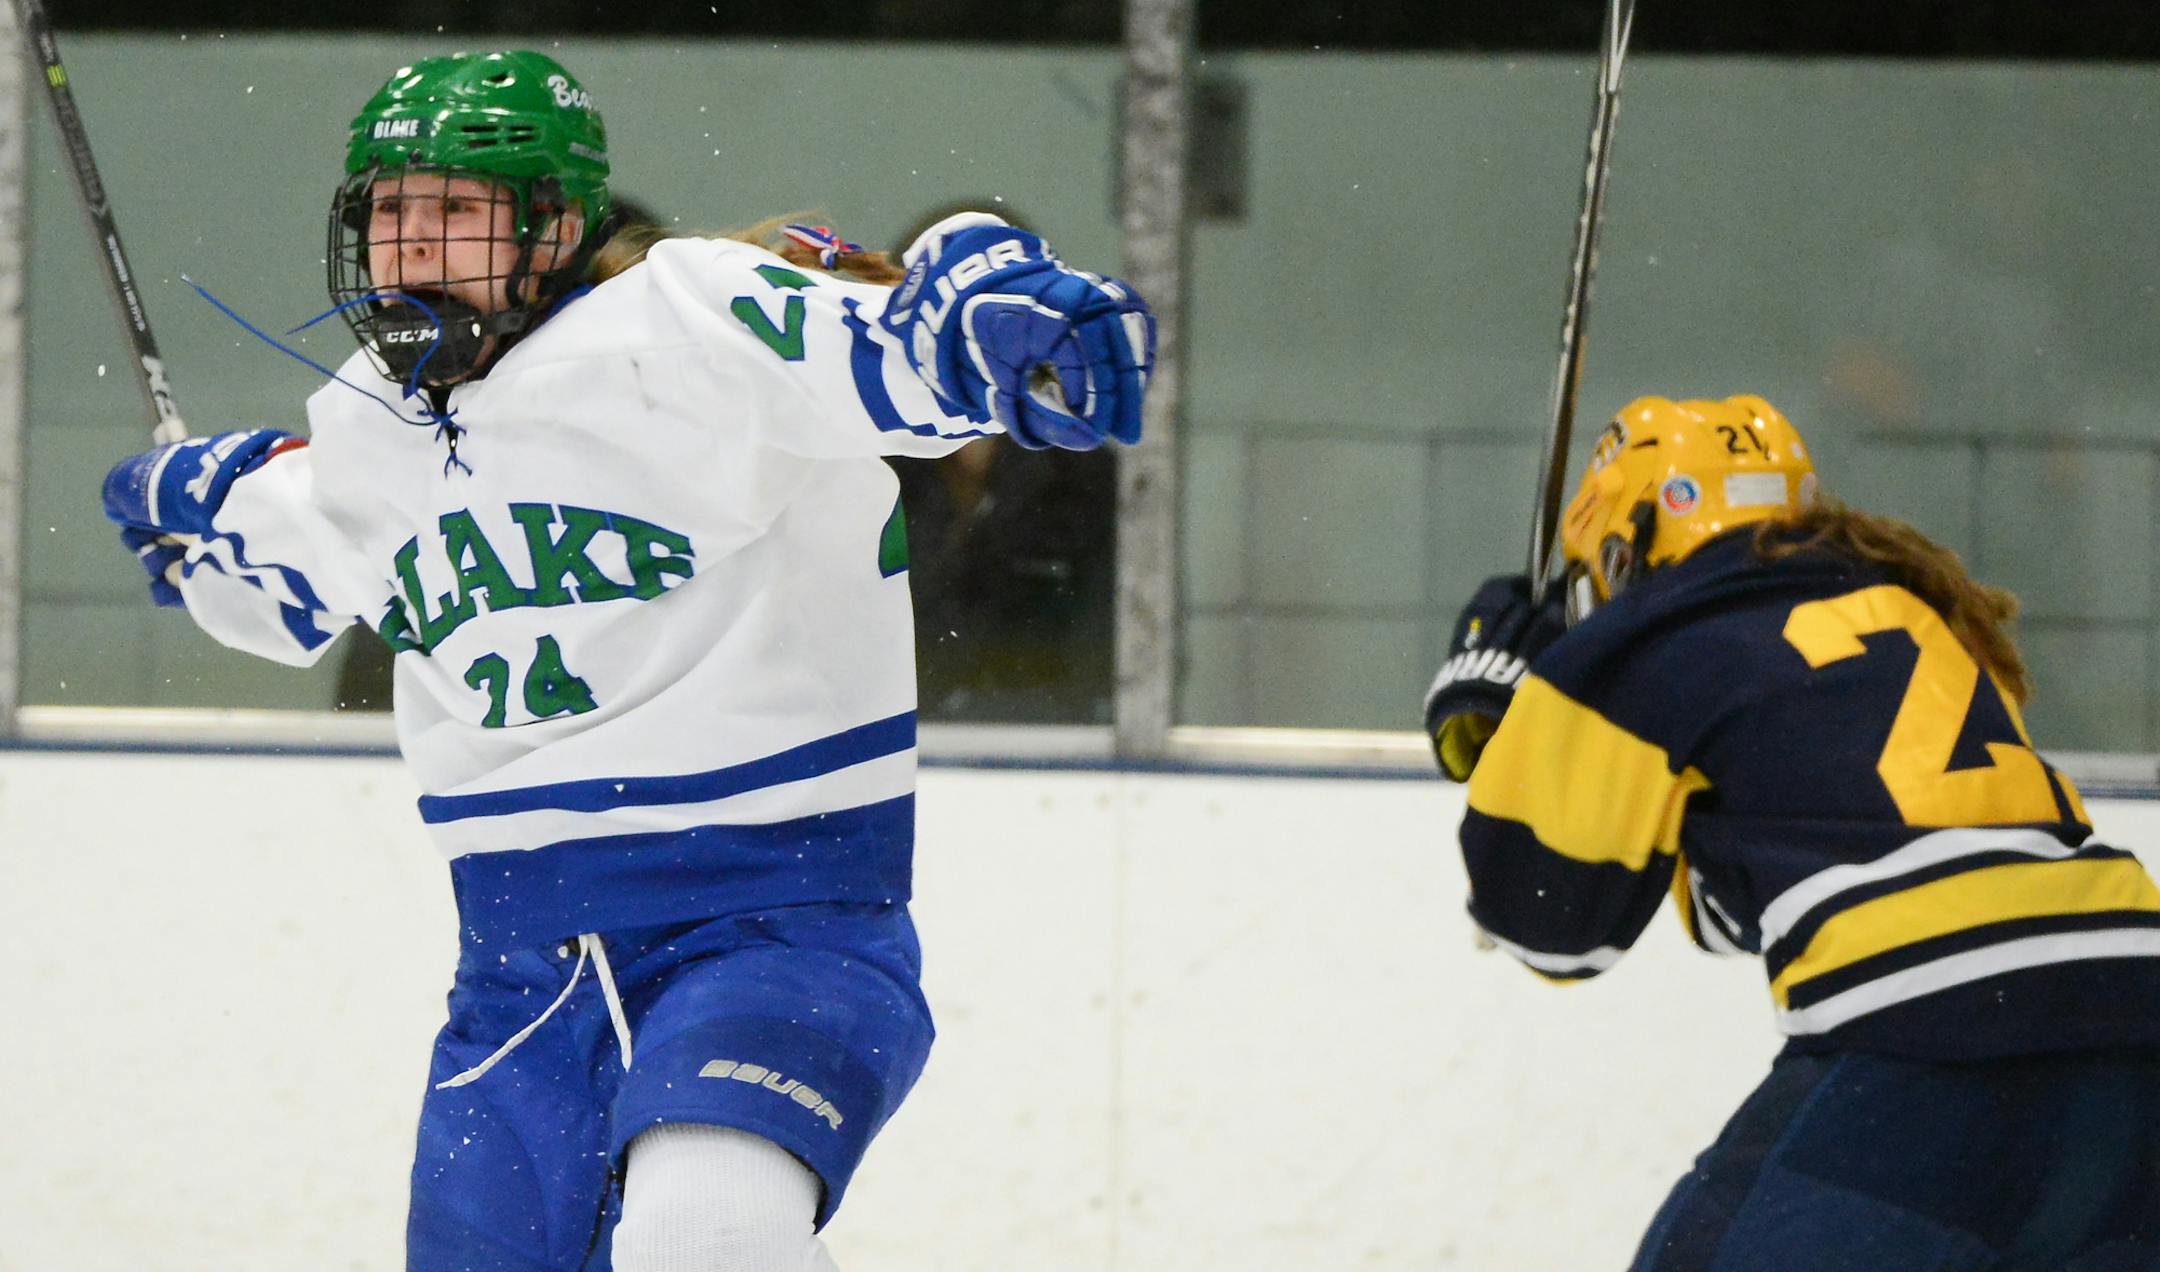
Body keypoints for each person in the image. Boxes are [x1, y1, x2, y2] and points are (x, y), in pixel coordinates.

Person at [98, 50, 1151, 1272]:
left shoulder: (690, 324)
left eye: (453, 209)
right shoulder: (363, 423)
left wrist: (987, 316)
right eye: (389, 212)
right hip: (515, 991)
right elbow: (279, 599)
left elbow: (910, 364)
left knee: (706, 1236)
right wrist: (195, 533)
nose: (411, 245)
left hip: (773, 934)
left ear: (551, 224)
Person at [1423, 395, 2160, 1270]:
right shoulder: (1906, 606)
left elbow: (1547, 924)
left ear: (1629, 544)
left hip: (1933, 1034)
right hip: (2132, 1014)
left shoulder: (1643, 635)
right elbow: (1748, 901)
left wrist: (1513, 707)